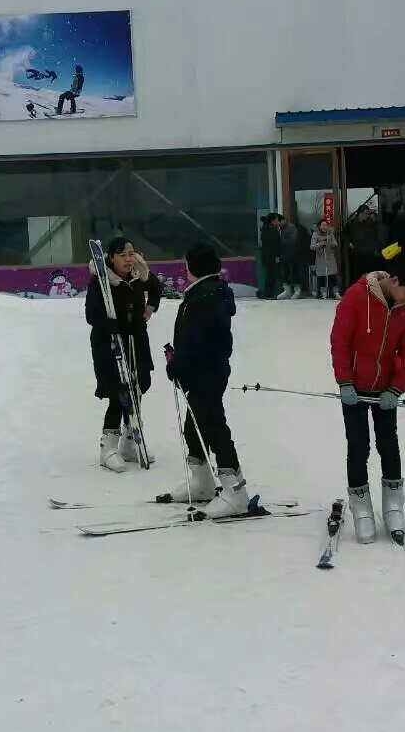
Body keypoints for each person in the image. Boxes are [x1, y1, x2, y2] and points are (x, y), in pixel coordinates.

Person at [330, 249, 405, 544]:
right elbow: (340, 342)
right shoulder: (355, 298)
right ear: (393, 280)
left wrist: (397, 388)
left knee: (388, 444)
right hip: (354, 389)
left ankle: (394, 505)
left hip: (385, 389)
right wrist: (344, 382)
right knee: (358, 446)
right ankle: (361, 506)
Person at [164, 243, 247, 515]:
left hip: (206, 373)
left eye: (187, 263)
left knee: (213, 426)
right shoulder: (206, 292)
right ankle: (202, 481)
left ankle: (235, 489)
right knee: (194, 425)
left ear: (195, 267)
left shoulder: (205, 297)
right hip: (205, 371)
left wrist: (177, 365)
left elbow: (196, 342)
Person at [85, 237, 163, 472]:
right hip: (110, 345)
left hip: (136, 341)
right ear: (111, 257)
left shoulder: (139, 275)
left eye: (131, 253)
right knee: (119, 393)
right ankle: (108, 447)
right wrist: (113, 327)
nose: (129, 259)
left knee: (138, 387)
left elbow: (156, 287)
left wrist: (151, 306)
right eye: (123, 255)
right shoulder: (101, 282)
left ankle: (131, 440)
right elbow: (92, 315)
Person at [278, 217, 307, 299]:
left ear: (284, 220)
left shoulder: (291, 228)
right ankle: (288, 291)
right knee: (285, 273)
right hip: (285, 255)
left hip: (292, 256)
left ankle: (297, 291)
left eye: (280, 221)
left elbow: (292, 242)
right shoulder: (283, 229)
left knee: (293, 273)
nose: (279, 223)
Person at [311, 218, 340, 299]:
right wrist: (318, 245)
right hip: (321, 259)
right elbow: (312, 246)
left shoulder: (330, 233)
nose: (324, 227)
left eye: (326, 225)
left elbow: (335, 243)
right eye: (323, 225)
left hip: (330, 258)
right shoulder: (315, 234)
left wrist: (330, 243)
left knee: (332, 276)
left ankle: (336, 293)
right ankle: (323, 293)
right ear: (319, 226)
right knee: (322, 276)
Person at [258, 213, 283, 299]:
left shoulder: (270, 229)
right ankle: (268, 294)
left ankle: (269, 293)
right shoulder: (268, 230)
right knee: (271, 275)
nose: (278, 221)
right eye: (276, 219)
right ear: (272, 221)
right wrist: (276, 256)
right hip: (270, 256)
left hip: (270, 256)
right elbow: (273, 245)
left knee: (272, 275)